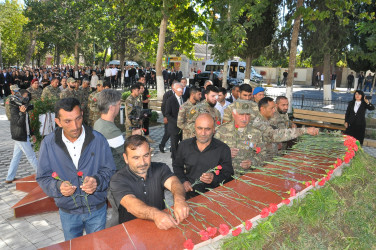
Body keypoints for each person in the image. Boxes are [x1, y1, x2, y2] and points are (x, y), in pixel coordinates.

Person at [36, 98, 116, 241]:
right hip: (68, 213)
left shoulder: (98, 140)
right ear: (58, 122)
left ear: (82, 114)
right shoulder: (48, 143)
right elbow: (43, 177)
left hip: (97, 210)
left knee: (97, 246)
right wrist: (58, 186)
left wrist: (97, 181)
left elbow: (110, 170)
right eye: (68, 121)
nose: (75, 126)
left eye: (78, 118)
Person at [110, 135, 190, 227]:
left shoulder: (161, 168)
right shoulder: (117, 179)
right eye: (136, 158)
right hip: (132, 230)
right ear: (125, 158)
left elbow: (174, 183)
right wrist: (156, 214)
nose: (142, 162)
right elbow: (131, 204)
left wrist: (179, 200)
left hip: (162, 224)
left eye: (146, 155)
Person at [173, 113, 233, 199]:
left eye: (207, 129)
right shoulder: (184, 146)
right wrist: (183, 181)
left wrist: (214, 178)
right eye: (199, 128)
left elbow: (229, 175)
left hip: (214, 197)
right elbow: (177, 166)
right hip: (189, 196)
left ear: (213, 130)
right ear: (195, 128)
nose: (203, 133)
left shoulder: (223, 149)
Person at [248, 97, 319, 166]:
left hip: (271, 159)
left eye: (274, 108)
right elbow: (276, 135)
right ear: (262, 109)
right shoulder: (259, 123)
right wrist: (305, 130)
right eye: (271, 108)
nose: (274, 110)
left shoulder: (266, 119)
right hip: (263, 163)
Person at [5, 89, 38, 183]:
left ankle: (9, 178)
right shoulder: (14, 108)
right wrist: (22, 113)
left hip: (23, 135)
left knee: (16, 157)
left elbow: (27, 123)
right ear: (20, 97)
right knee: (31, 156)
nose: (27, 98)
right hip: (20, 136)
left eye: (27, 96)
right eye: (25, 96)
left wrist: (32, 134)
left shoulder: (22, 106)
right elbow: (18, 123)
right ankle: (42, 175)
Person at [214, 100, 255, 175]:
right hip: (225, 177)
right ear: (233, 114)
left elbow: (264, 154)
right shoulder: (221, 131)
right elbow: (210, 153)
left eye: (247, 114)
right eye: (241, 114)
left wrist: (252, 162)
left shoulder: (256, 133)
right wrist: (225, 153)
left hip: (248, 177)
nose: (245, 118)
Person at [166, 82, 184, 161]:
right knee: (174, 146)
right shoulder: (170, 100)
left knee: (183, 144)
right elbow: (167, 114)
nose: (181, 91)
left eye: (182, 89)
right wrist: (177, 122)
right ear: (174, 89)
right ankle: (175, 161)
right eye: (180, 89)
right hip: (174, 127)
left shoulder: (184, 98)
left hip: (183, 127)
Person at [159, 83, 175, 153]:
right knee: (168, 132)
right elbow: (163, 106)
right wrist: (165, 116)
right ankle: (162, 145)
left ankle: (173, 147)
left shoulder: (180, 94)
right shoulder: (168, 94)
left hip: (175, 117)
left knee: (174, 132)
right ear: (172, 87)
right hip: (168, 116)